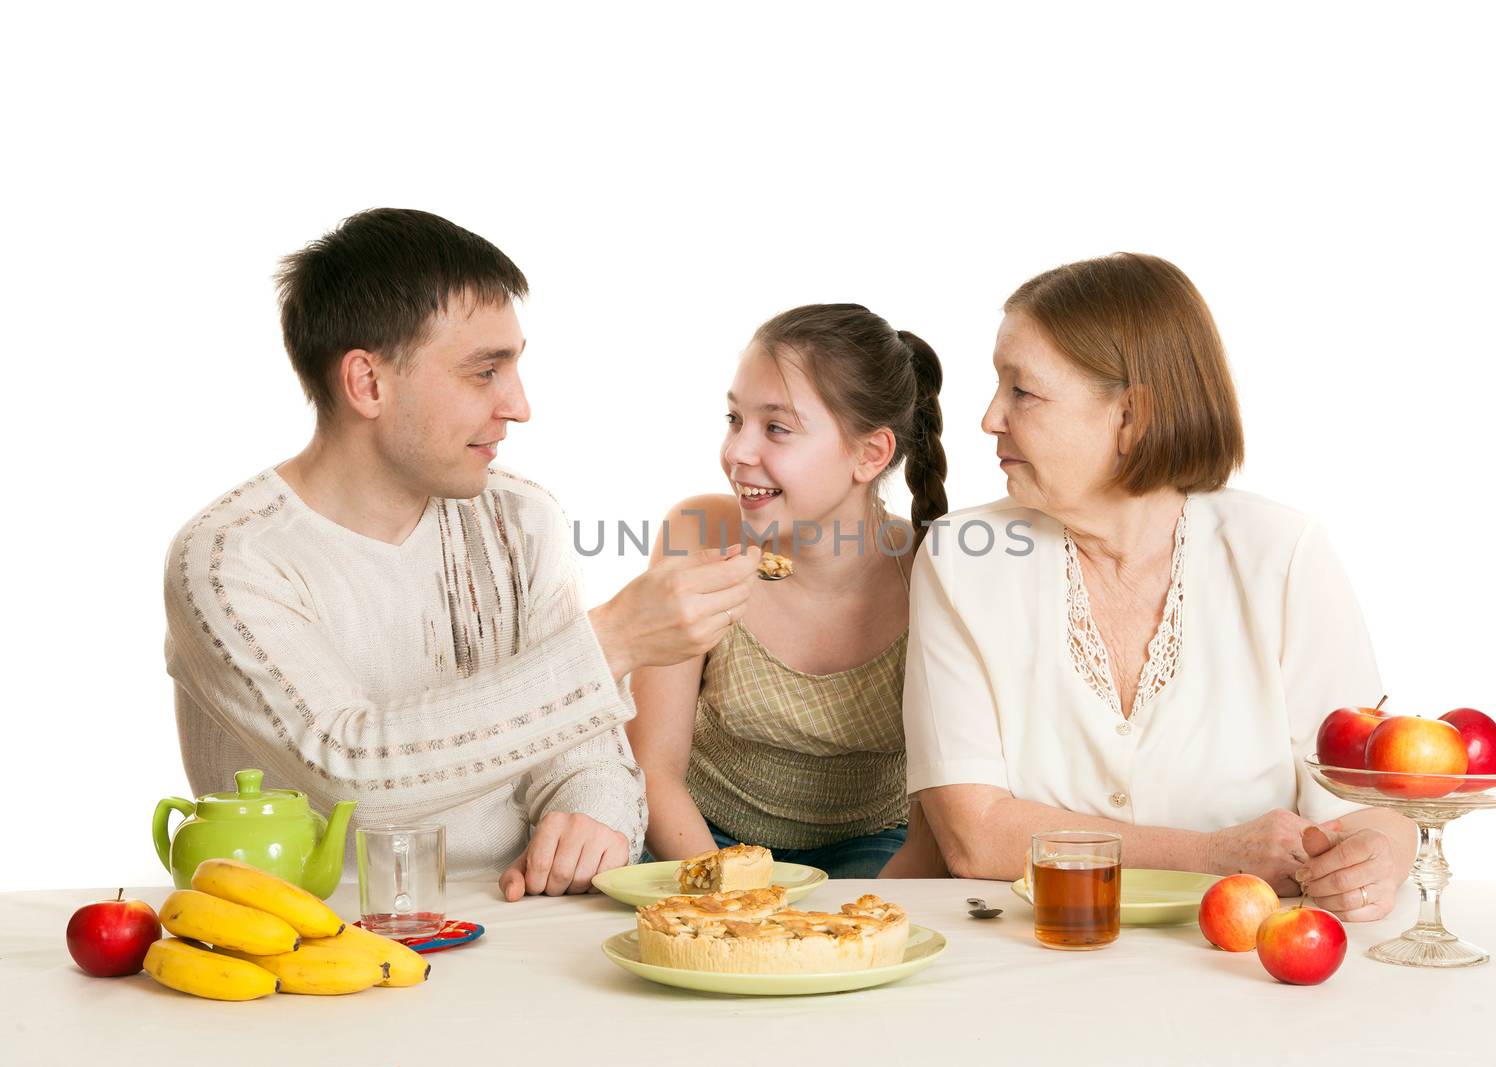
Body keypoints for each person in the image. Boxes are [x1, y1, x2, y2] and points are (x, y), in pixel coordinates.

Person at [164, 208, 759, 900]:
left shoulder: (521, 520)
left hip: (526, 917)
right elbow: (350, 769)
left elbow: (589, 749)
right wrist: (614, 639)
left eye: (515, 366)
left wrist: (595, 809)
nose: (520, 405)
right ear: (368, 384)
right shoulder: (228, 559)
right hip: (311, 943)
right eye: (484, 372)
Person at [900, 253, 1417, 919]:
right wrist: (1207, 855)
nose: (990, 417)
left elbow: (1371, 804)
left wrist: (1378, 857)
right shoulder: (959, 558)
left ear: (1132, 415)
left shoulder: (1282, 555)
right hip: (1035, 953)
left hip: (1247, 964)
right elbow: (975, 835)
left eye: (1021, 391)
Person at [627, 304, 948, 878]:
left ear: (869, 454)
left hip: (872, 844)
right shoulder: (699, 533)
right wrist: (734, 895)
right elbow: (653, 766)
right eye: (734, 420)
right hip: (699, 833)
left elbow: (936, 821)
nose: (737, 452)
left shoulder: (931, 568)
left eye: (776, 427)